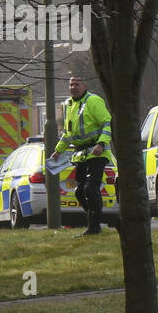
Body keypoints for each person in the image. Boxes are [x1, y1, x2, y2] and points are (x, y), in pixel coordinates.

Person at [50, 76, 113, 236]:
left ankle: (94, 227)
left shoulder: (93, 101)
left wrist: (101, 144)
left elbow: (107, 122)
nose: (73, 87)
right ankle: (95, 221)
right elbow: (67, 133)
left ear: (84, 86)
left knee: (91, 189)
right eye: (70, 84)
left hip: (97, 152)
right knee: (79, 192)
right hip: (81, 154)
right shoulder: (69, 104)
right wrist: (58, 150)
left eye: (76, 84)